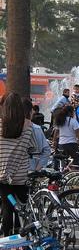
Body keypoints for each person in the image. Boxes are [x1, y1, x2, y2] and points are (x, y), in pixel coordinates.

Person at [0, 93, 36, 236]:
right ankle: (21, 239)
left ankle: (8, 239)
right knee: (21, 209)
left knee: (7, 207)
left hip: (2, 175)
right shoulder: (28, 126)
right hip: (21, 176)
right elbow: (33, 147)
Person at [23, 98, 50, 172]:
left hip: (13, 173)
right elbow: (47, 150)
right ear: (31, 112)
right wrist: (39, 167)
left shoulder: (9, 129)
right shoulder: (36, 129)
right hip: (32, 169)